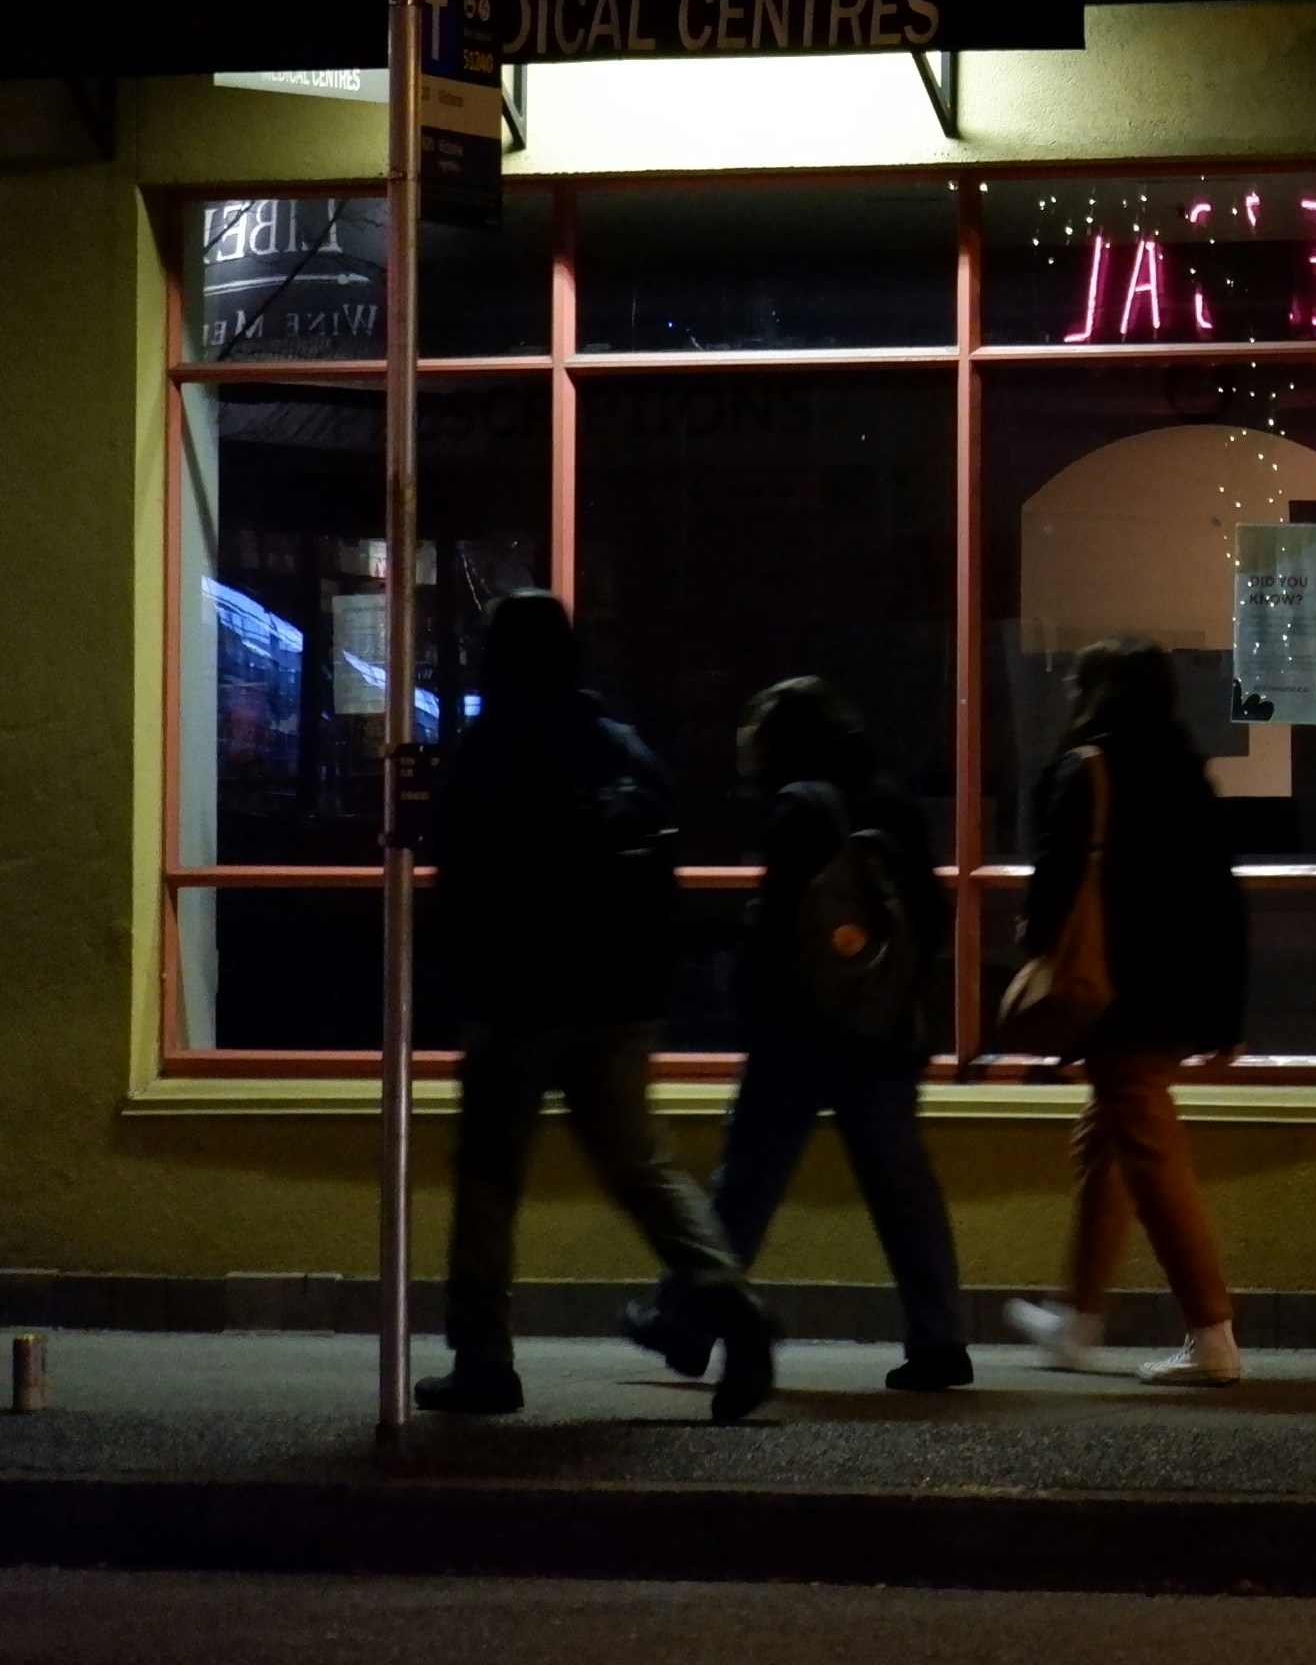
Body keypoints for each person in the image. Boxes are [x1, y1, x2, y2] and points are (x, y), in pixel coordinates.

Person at [421, 591, 775, 1421]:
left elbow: (463, 879)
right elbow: (662, 877)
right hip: (618, 1000)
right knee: (643, 1170)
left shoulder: (493, 746)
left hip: (518, 999)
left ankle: (484, 1360)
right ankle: (734, 1308)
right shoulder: (621, 747)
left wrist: (468, 985)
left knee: (489, 1181)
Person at [626, 677, 971, 1391]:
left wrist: (747, 1003)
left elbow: (777, 927)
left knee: (745, 1186)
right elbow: (930, 918)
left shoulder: (801, 808)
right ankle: (939, 1340)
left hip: (800, 1034)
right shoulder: (894, 803)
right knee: (904, 1193)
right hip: (882, 1031)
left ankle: (685, 1322)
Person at [1006, 639, 1252, 1385]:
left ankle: (1211, 1335)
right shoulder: (1187, 773)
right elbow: (1224, 899)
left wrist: (1039, 959)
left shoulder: (1087, 769)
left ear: (1098, 693)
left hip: (1117, 992)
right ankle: (1077, 1319)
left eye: (1077, 681)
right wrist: (1228, 1015)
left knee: (1148, 1154)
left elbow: (1052, 886)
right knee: (1106, 1141)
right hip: (1180, 992)